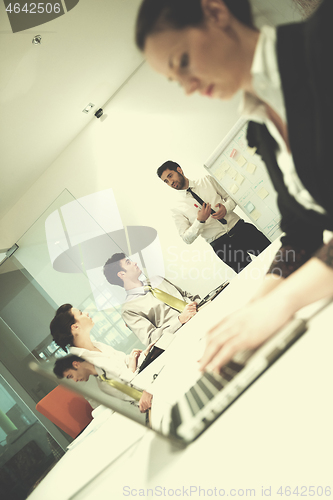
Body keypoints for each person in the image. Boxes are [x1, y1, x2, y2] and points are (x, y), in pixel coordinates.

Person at [135, 0, 333, 371]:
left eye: (182, 62)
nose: (189, 87)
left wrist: (283, 302)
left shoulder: (323, 41)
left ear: (215, 12)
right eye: (176, 81)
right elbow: (301, 233)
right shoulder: (261, 127)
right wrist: (258, 303)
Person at [157, 160, 270, 273]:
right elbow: (186, 238)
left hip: (241, 229)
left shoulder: (207, 180)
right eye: (166, 181)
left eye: (170, 176)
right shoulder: (176, 208)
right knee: (252, 276)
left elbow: (232, 197)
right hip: (223, 247)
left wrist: (226, 208)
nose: (171, 182)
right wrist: (199, 221)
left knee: (276, 257)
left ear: (179, 170)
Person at [50, 304, 153, 409]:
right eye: (81, 313)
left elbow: (125, 362)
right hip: (139, 406)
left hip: (145, 388)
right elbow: (125, 389)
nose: (86, 313)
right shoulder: (81, 366)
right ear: (75, 327)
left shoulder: (97, 345)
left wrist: (144, 355)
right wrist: (132, 365)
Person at [103, 252, 200, 345]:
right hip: (182, 336)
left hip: (201, 313)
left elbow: (185, 295)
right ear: (122, 274)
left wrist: (201, 303)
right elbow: (151, 338)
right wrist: (180, 320)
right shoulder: (128, 309)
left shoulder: (157, 279)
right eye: (128, 263)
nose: (134, 263)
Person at [53, 355, 152, 413]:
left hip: (154, 389)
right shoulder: (102, 385)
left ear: (76, 364)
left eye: (71, 376)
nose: (74, 380)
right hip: (149, 407)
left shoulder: (107, 360)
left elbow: (144, 368)